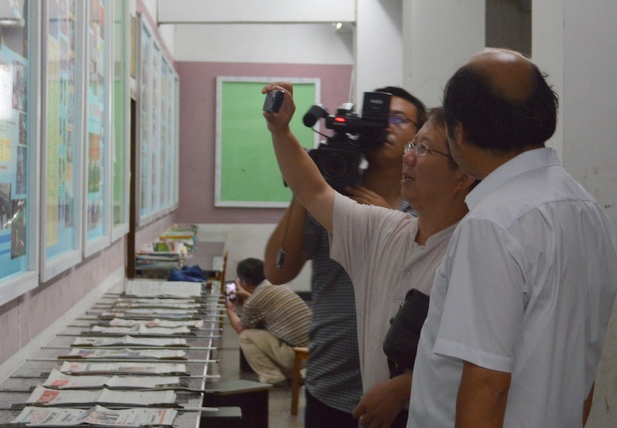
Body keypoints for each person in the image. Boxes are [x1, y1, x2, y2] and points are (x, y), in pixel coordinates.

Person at [407, 48, 617, 427]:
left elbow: (487, 384)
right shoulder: (589, 211)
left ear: (459, 132)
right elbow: (582, 372)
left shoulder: (492, 224)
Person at [263, 83, 476, 425]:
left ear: (462, 175)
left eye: (423, 149)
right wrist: (281, 130)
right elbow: (312, 190)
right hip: (337, 391)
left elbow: (483, 361)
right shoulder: (384, 228)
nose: (408, 156)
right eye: (412, 146)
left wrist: (404, 388)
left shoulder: (476, 250)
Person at [225, 257, 312, 386]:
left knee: (245, 336)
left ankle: (272, 377)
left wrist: (231, 310)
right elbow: (263, 302)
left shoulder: (253, 302)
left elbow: (240, 328)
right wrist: (248, 295)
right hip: (312, 352)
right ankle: (290, 375)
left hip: (296, 356)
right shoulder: (279, 287)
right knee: (269, 332)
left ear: (244, 282)